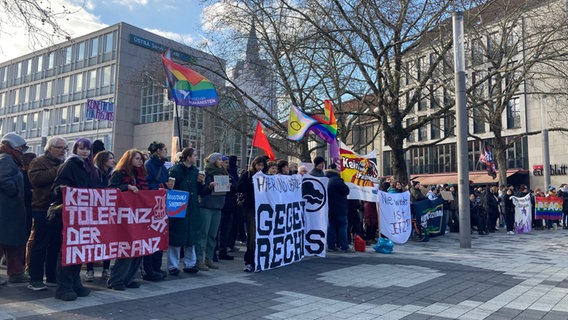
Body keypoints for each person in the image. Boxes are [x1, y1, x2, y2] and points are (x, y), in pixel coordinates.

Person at [51, 138, 98, 301]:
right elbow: (56, 188)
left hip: (84, 214)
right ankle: (63, 286)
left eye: (88, 149)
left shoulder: (92, 168)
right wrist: (64, 190)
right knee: (67, 249)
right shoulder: (69, 165)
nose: (85, 152)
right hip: (69, 214)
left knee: (79, 249)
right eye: (82, 148)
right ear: (76, 149)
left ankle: (75, 283)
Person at [27, 136, 67, 291]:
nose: (63, 151)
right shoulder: (38, 162)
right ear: (50, 148)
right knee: (40, 243)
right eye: (60, 148)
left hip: (59, 208)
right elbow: (37, 180)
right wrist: (59, 170)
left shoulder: (63, 164)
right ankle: (35, 278)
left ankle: (51, 276)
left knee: (55, 244)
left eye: (65, 148)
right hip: (42, 208)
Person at [106, 149, 148, 290]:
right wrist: (126, 187)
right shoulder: (119, 173)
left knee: (137, 248)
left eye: (141, 159)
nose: (140, 161)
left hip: (137, 216)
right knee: (126, 249)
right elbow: (110, 189)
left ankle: (129, 278)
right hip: (123, 217)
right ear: (129, 160)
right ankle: (116, 280)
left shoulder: (141, 175)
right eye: (137, 158)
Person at [167, 148, 203, 275]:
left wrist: (205, 185)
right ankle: (173, 265)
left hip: (192, 207)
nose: (196, 158)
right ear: (188, 157)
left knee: (191, 236)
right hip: (178, 204)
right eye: (194, 155)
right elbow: (171, 187)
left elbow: (200, 190)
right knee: (176, 236)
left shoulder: (195, 171)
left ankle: (190, 263)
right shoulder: (176, 170)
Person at [0, 133, 30, 285]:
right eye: (20, 148)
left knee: (11, 242)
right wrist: (14, 191)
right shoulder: (6, 159)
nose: (21, 152)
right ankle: (16, 272)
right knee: (5, 241)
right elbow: (3, 179)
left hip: (9, 209)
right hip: (7, 209)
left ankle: (16, 272)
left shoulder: (9, 159)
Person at [142, 141, 174, 281]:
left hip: (161, 205)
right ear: (157, 151)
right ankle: (148, 270)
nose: (166, 151)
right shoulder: (148, 165)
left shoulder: (163, 166)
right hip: (151, 205)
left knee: (159, 236)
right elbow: (146, 184)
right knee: (150, 237)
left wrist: (168, 185)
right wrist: (160, 186)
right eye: (164, 149)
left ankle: (157, 267)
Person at [196, 153, 233, 270]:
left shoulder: (223, 173)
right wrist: (210, 186)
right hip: (206, 206)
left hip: (218, 206)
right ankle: (198, 259)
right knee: (203, 234)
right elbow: (201, 191)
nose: (221, 162)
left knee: (213, 234)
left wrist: (229, 185)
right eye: (219, 160)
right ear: (213, 161)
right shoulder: (206, 173)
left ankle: (209, 258)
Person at [85, 150, 115, 282]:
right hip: (94, 211)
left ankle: (106, 269)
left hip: (107, 212)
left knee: (107, 240)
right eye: (110, 158)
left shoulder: (112, 174)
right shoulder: (94, 173)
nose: (113, 161)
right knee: (92, 240)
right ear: (103, 160)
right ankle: (89, 270)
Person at [238, 156, 267, 272]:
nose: (260, 168)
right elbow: (239, 187)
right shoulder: (248, 175)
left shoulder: (267, 177)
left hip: (263, 210)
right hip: (251, 209)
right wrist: (253, 183)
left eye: (262, 166)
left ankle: (261, 259)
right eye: (258, 165)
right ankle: (249, 261)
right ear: (254, 165)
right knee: (252, 236)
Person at [326, 164, 353, 252]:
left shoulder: (326, 180)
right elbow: (346, 191)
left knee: (331, 227)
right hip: (340, 208)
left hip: (330, 208)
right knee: (342, 227)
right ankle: (344, 246)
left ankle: (331, 245)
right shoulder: (337, 180)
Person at [218, 155, 239, 260]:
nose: (227, 165)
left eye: (227, 163)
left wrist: (231, 186)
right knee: (218, 230)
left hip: (229, 205)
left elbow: (236, 186)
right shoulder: (217, 174)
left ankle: (223, 250)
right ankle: (215, 251)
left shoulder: (229, 175)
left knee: (227, 229)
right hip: (220, 205)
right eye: (225, 162)